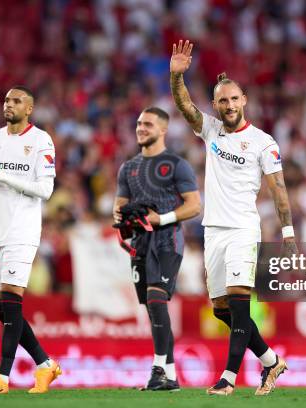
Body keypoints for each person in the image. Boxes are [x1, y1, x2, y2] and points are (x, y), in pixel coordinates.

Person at [169, 40, 296, 396]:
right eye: (222, 100)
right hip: (214, 231)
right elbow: (184, 106)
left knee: (240, 299)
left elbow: (278, 189)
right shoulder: (210, 130)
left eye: (234, 99)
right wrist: (177, 77)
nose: (228, 105)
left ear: (244, 101)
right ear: (215, 105)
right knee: (222, 310)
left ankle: (228, 377)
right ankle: (271, 361)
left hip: (243, 228)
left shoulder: (263, 142)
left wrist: (287, 232)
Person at [0, 86, 60, 394]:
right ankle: (45, 366)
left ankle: (2, 377)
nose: (9, 104)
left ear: (29, 109)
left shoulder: (40, 140)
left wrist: (0, 174)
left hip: (23, 231)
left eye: (16, 101)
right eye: (6, 100)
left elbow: (45, 190)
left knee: (11, 302)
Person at [113, 107, 201, 391]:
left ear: (163, 129)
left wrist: (160, 218)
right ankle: (171, 377)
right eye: (139, 123)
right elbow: (118, 206)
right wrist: (122, 218)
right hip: (140, 243)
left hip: (167, 240)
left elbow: (194, 206)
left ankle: (157, 369)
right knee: (153, 310)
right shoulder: (128, 168)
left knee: (156, 300)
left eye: (148, 124)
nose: (141, 128)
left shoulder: (177, 164)